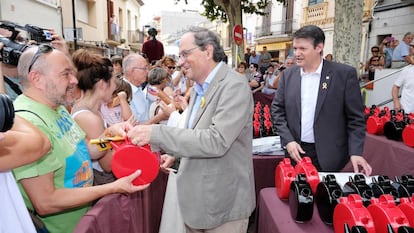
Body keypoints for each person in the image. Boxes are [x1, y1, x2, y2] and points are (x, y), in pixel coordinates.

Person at [121, 26, 256, 233]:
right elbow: (194, 132)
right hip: (198, 203)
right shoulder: (199, 88)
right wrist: (175, 155)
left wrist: (156, 133)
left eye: (185, 54)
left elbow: (216, 140)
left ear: (208, 51)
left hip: (222, 205)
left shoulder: (233, 86)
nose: (180, 61)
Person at [12, 44, 149, 233]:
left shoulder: (57, 107)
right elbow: (46, 202)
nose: (74, 80)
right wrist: (112, 188)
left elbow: (88, 150)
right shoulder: (27, 121)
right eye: (65, 74)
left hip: (83, 223)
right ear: (37, 79)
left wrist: (110, 135)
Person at [271, 25, 372, 175]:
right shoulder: (288, 75)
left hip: (331, 157)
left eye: (302, 49)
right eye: (295, 48)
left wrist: (356, 152)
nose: (296, 54)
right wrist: (288, 141)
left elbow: (356, 118)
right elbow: (277, 110)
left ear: (319, 47)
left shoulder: (343, 75)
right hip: (296, 153)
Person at [122, 53, 168, 124]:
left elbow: (145, 113)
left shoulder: (139, 88)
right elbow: (133, 128)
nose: (147, 71)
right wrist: (160, 117)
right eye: (144, 68)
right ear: (132, 71)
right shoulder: (124, 92)